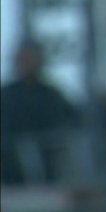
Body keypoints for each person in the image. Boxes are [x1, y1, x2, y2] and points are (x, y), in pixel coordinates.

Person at [1, 39, 80, 184]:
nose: (28, 63)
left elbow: (73, 121)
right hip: (10, 169)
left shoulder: (51, 95)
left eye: (32, 58)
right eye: (24, 59)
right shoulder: (6, 95)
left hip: (48, 167)